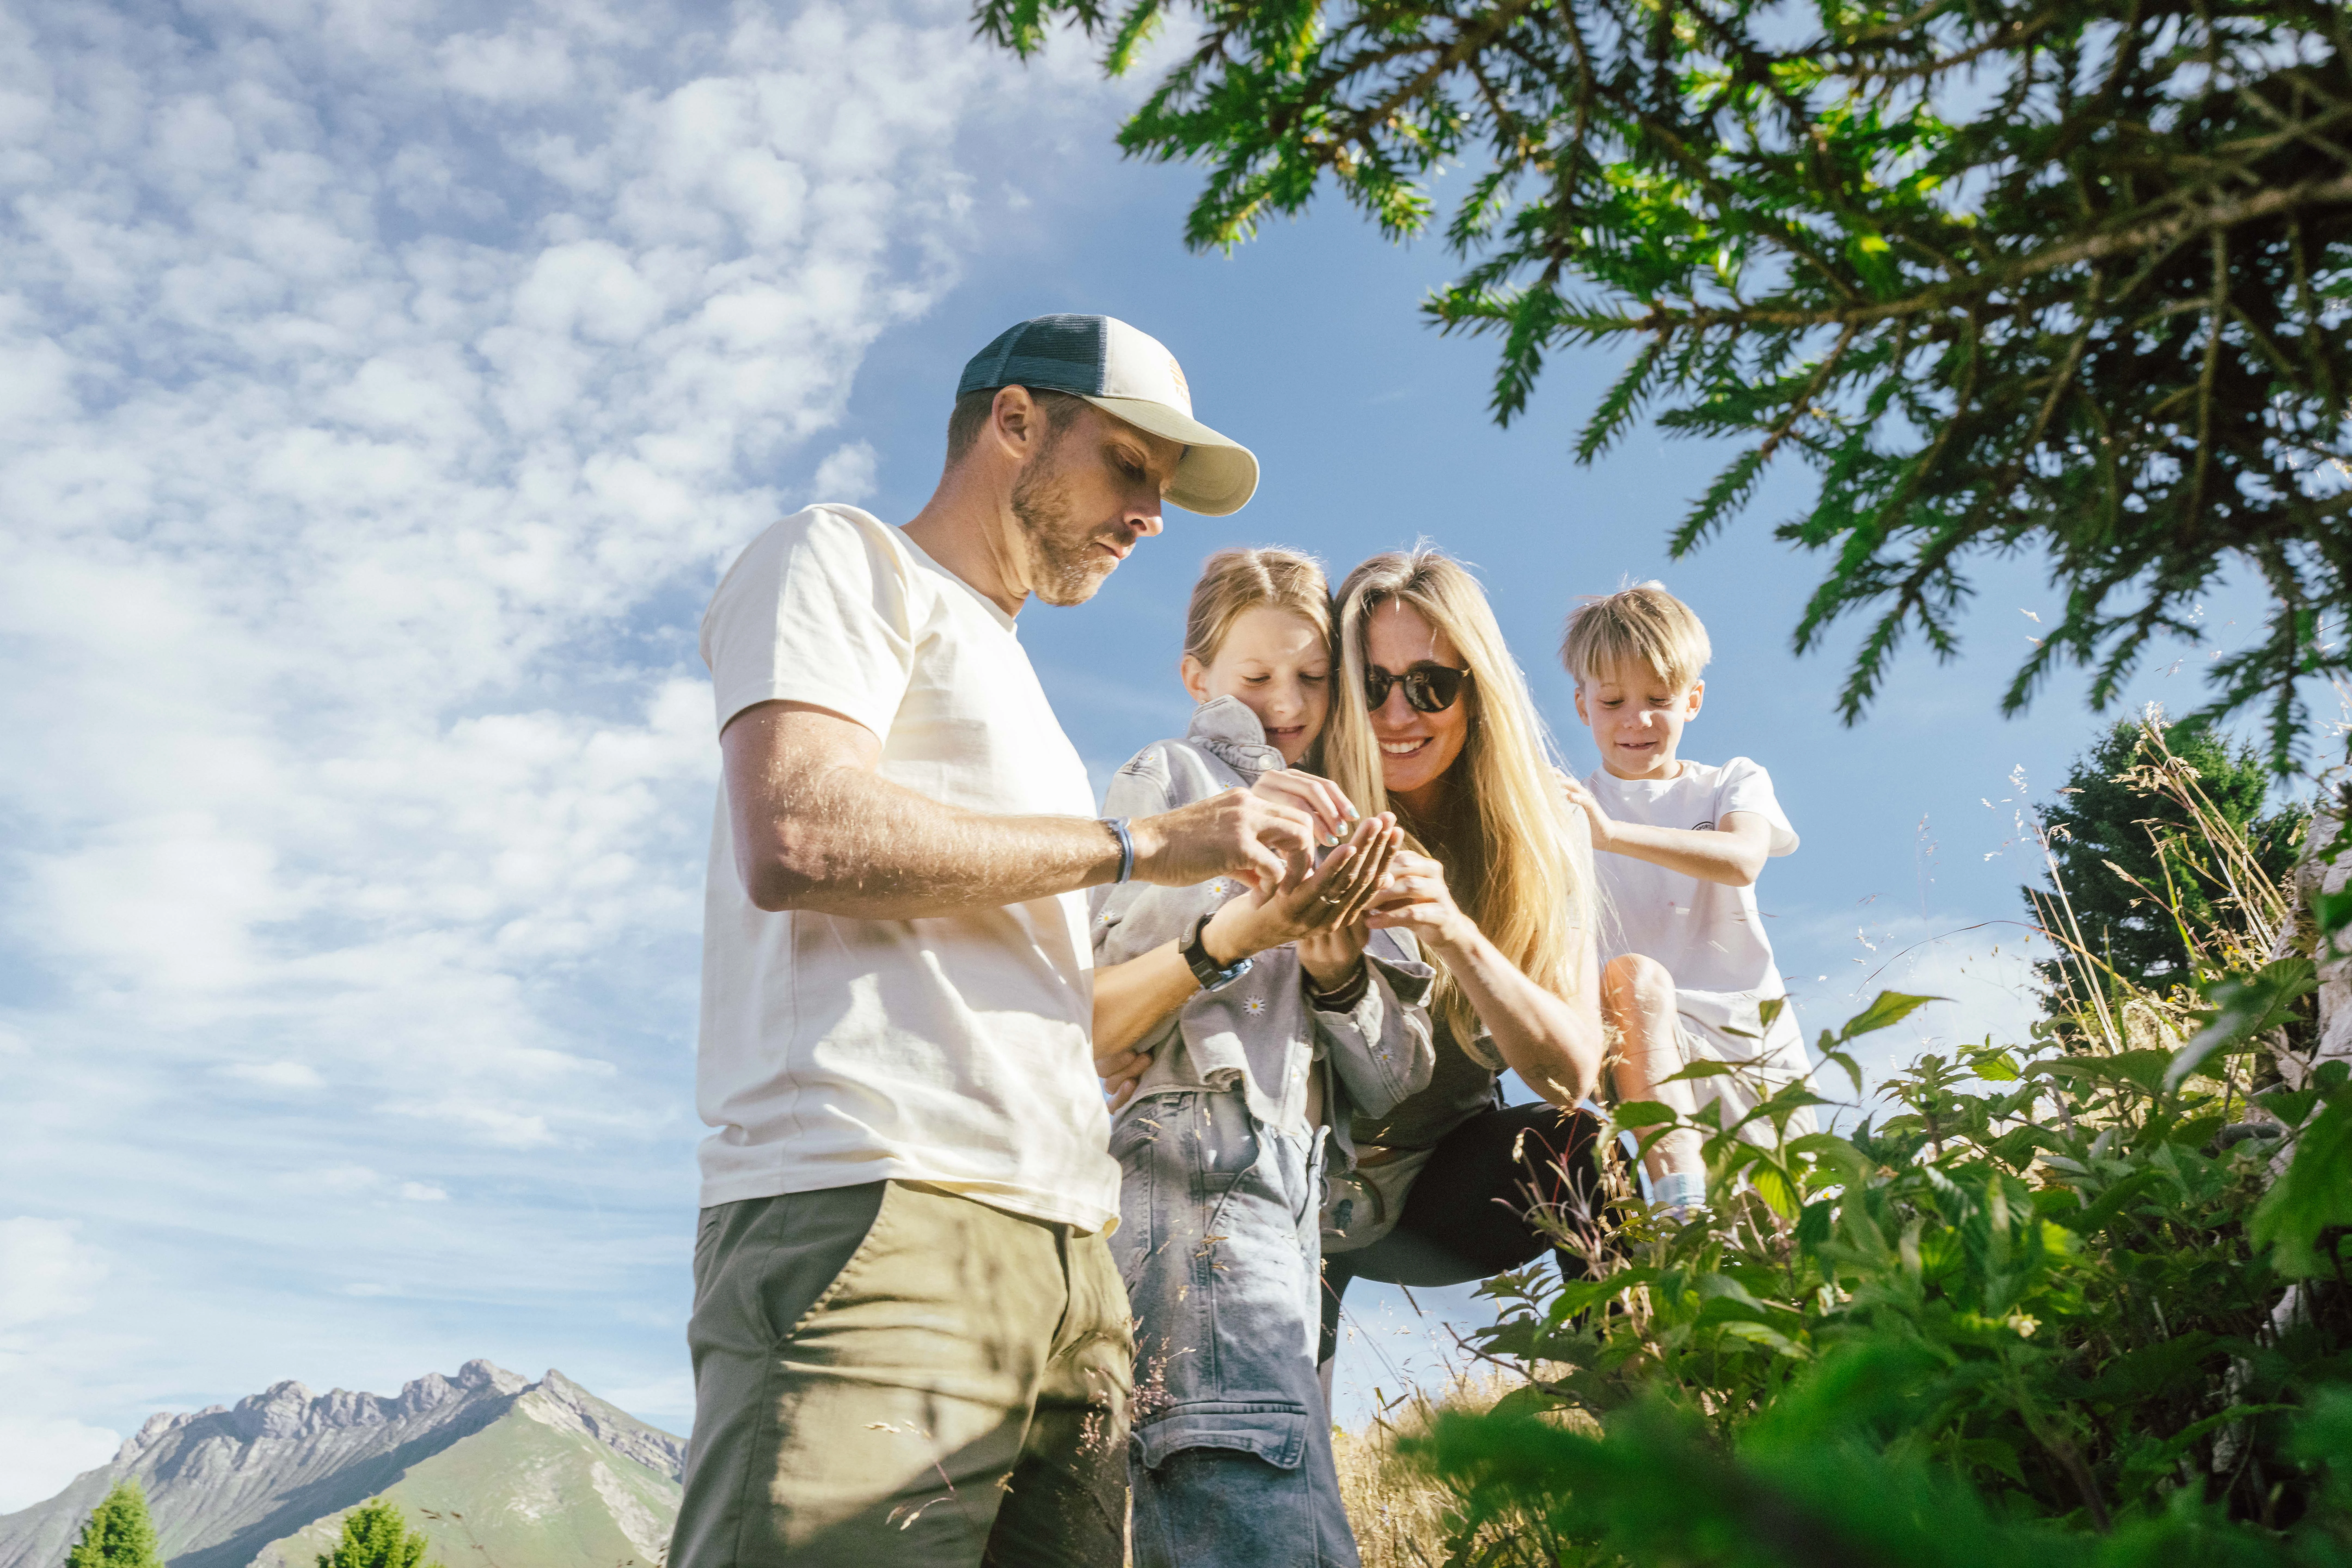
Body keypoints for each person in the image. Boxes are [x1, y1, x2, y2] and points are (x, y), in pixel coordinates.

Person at [670, 313, 1359, 1568]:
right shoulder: (838, 558)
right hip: (876, 1208)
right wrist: (1151, 846)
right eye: (1130, 466)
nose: (1152, 514)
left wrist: (1236, 937)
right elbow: (800, 829)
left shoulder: (1027, 698)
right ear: (1015, 421)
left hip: (1070, 1264)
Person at [1088, 548, 1433, 1568]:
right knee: (1241, 1486)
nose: (1286, 703)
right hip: (1196, 1151)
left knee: (1287, 1492)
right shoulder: (1174, 775)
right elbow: (1111, 996)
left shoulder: (1363, 826)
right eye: (1256, 679)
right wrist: (1241, 920)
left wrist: (1336, 975)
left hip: (1301, 1181)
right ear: (1200, 679)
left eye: (1311, 678)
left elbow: (1394, 1081)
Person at [1312, 549, 1613, 1391]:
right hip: (1298, 1186)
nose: (1397, 713)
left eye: (1429, 685)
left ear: (1476, 691)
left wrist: (1458, 936)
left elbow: (1571, 1072)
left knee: (1582, 1149)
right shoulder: (1308, 802)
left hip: (1438, 1187)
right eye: (1370, 686)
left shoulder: (1544, 828)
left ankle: (1651, 1450)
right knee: (1285, 1442)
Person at [1556, 583, 1817, 1212]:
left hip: (1751, 1040)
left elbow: (1743, 860)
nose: (1636, 720)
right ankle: (1679, 1204)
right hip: (1645, 1042)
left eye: (1658, 700)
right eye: (1613, 700)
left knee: (1785, 1227)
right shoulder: (1566, 808)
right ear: (1583, 706)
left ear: (1693, 700)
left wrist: (1612, 834)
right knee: (1634, 977)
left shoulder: (1731, 781)